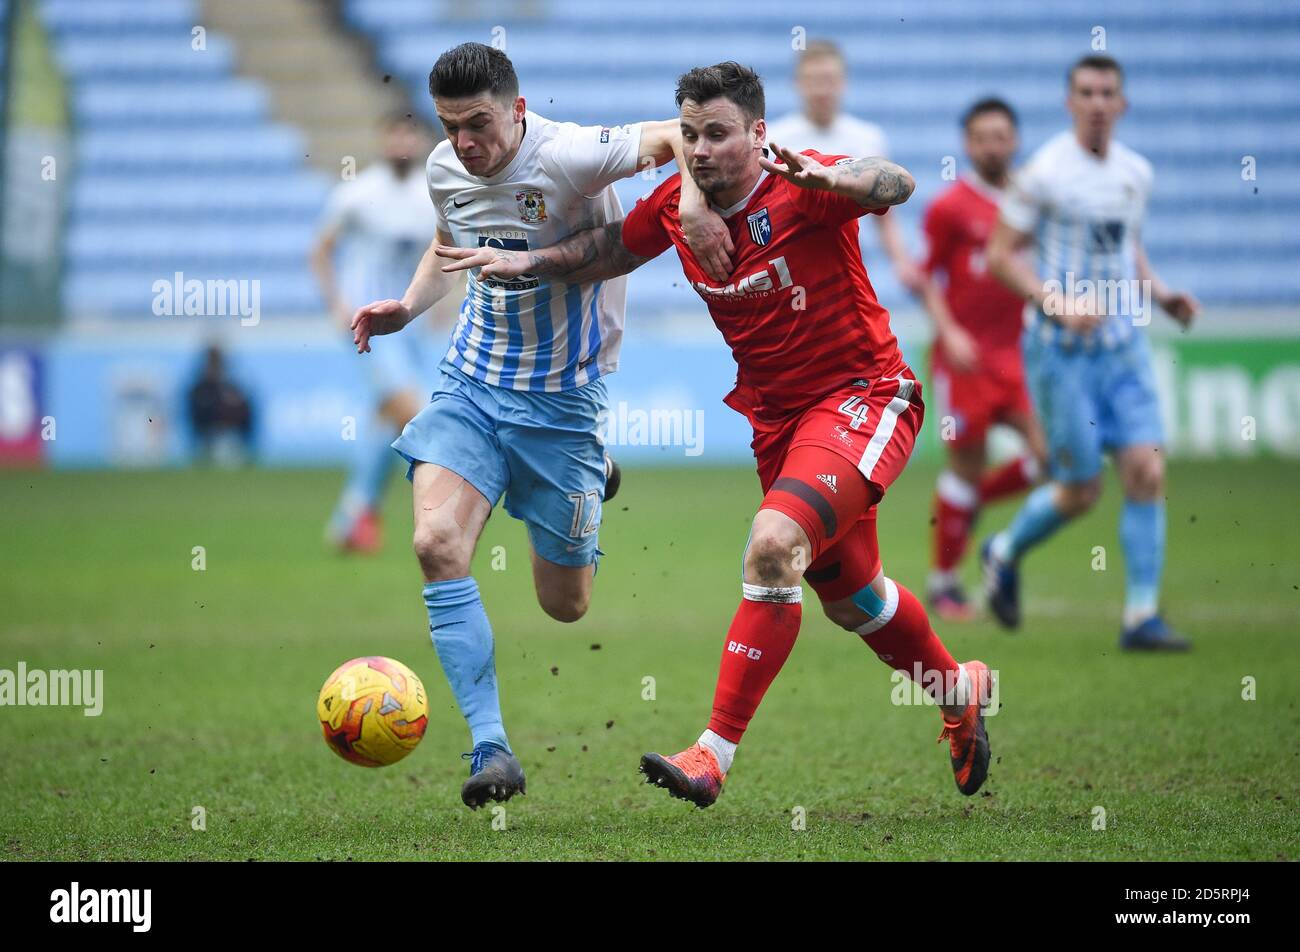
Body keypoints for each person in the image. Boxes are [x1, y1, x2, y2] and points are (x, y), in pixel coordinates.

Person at [438, 62, 994, 807]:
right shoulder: (676, 203)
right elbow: (610, 252)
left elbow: (892, 182)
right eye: (691, 134)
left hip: (862, 397)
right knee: (854, 598)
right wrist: (527, 260)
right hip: (780, 423)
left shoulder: (804, 182)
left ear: (759, 134)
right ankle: (959, 689)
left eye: (719, 134)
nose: (700, 150)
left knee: (771, 549)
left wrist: (841, 185)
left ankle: (712, 752)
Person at [348, 42, 727, 808]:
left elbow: (670, 135)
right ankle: (492, 749)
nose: (464, 142)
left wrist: (689, 196)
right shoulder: (444, 168)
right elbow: (445, 242)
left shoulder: (569, 156)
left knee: (566, 604)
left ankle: (596, 474)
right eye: (451, 126)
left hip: (562, 408)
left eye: (479, 123)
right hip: (472, 389)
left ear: (517, 111)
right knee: (434, 543)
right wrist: (407, 305)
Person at [982, 55, 1200, 651]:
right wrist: (1055, 302)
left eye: (1108, 92)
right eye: (1087, 92)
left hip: (1123, 345)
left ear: (1122, 103)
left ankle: (1140, 617)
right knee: (1080, 489)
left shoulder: (1136, 173)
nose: (1099, 102)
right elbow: (1001, 255)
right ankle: (1003, 550)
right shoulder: (1046, 172)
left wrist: (1161, 295)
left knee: (1146, 470)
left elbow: (1127, 252)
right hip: (1060, 352)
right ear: (1070, 102)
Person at [918, 98, 1046, 620]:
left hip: (1019, 357)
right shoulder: (951, 207)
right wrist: (949, 333)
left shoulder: (1034, 203)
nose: (992, 145)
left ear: (1015, 140)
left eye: (1001, 135)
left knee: (1053, 460)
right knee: (964, 467)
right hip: (965, 360)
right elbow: (926, 276)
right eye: (982, 137)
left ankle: (969, 514)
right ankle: (944, 581)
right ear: (968, 145)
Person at [310, 113, 440, 552]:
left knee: (385, 422)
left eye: (411, 132)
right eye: (395, 133)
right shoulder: (358, 193)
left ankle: (353, 517)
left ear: (422, 140)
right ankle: (439, 511)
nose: (403, 141)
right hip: (368, 326)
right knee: (412, 412)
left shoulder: (431, 196)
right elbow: (321, 250)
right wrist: (336, 304)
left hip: (409, 327)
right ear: (383, 139)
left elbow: (442, 254)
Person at [766, 40, 923, 293]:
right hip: (791, 263)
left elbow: (883, 210)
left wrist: (900, 260)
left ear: (843, 82)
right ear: (797, 83)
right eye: (812, 80)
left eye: (828, 79)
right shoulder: (776, 138)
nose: (821, 89)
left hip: (849, 261)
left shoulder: (867, 137)